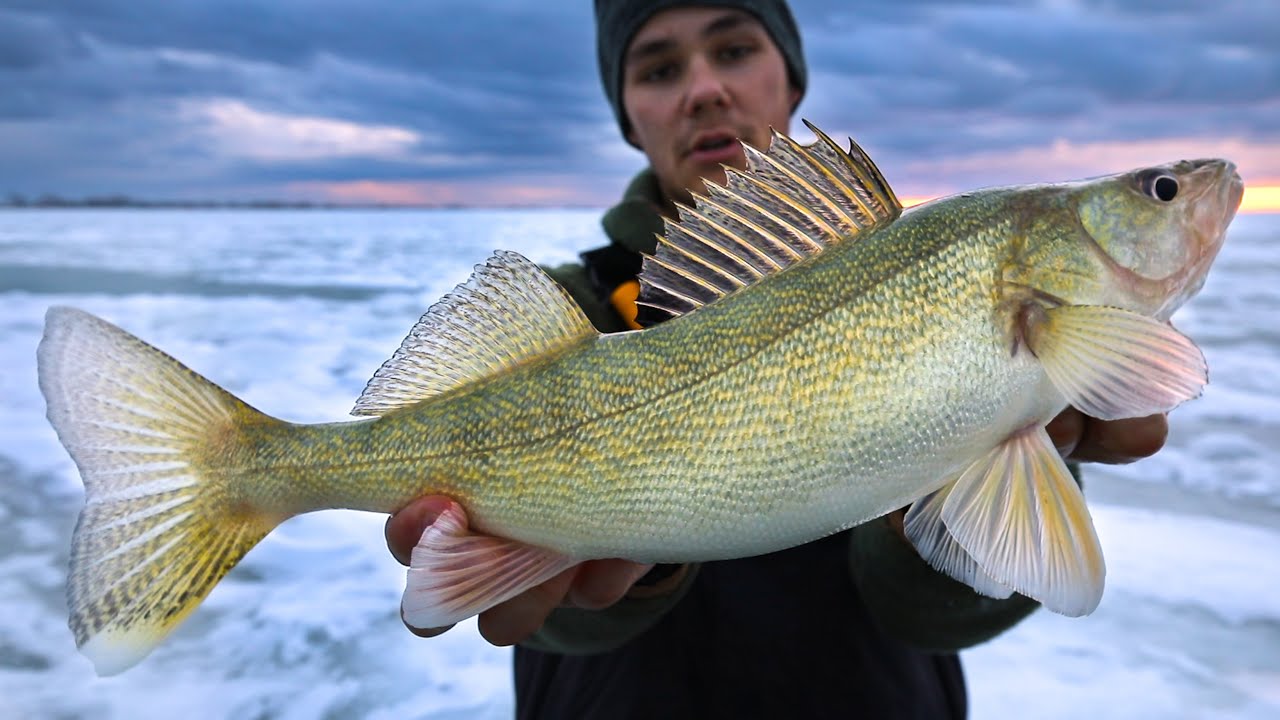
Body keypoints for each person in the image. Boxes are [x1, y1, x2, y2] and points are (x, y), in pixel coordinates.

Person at [385, 1, 1171, 717]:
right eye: (659, 68)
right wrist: (612, 569)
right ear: (627, 115)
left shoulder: (933, 290)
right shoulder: (572, 315)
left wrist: (964, 505)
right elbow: (544, 628)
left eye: (733, 49)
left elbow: (933, 618)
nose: (704, 90)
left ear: (790, 81)